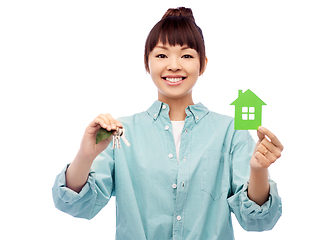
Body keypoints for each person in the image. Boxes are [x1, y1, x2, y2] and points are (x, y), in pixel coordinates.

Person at [52, 7, 283, 240]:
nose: (173, 65)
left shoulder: (231, 133)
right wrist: (85, 155)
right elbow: (75, 205)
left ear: (202, 64)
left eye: (186, 55)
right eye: (162, 55)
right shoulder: (120, 132)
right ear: (147, 62)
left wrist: (258, 170)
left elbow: (258, 220)